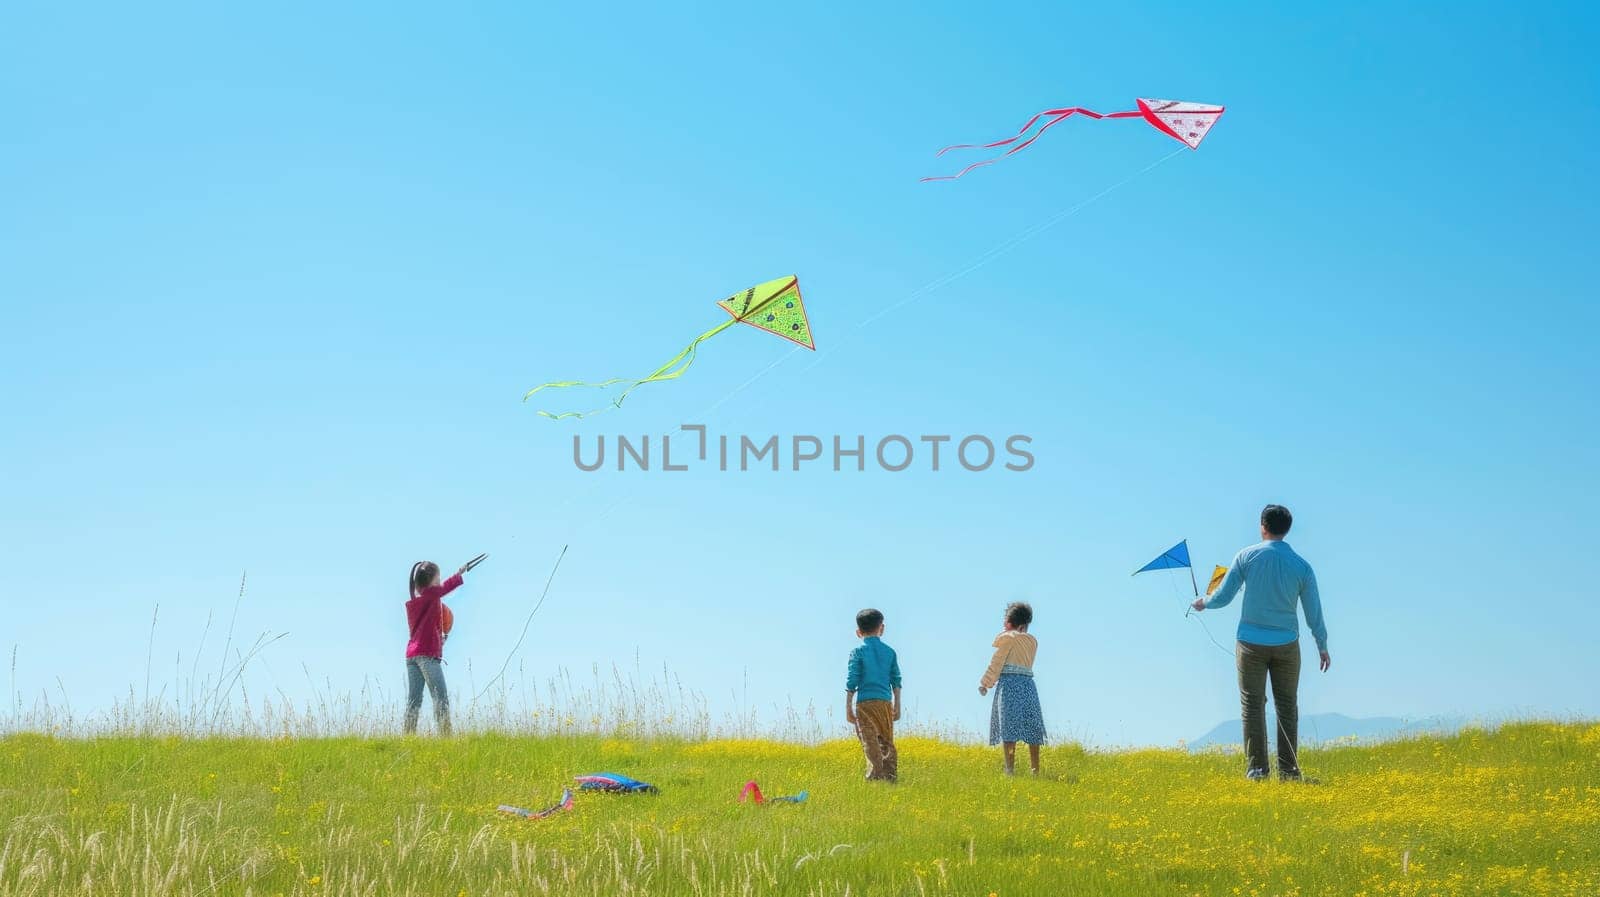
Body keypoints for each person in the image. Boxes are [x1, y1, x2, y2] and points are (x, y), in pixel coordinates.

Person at [1192, 504, 1329, 781]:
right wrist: (1322, 644)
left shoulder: (1246, 556)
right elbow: (1313, 611)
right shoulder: (1302, 566)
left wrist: (1203, 602)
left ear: (1262, 526)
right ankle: (1289, 772)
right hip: (1287, 644)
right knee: (1287, 706)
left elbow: (1223, 596)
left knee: (1252, 704)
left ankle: (1257, 770)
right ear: (1287, 529)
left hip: (1250, 643)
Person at [979, 601, 1046, 775]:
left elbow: (997, 663)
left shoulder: (1008, 639)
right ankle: (1035, 769)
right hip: (1028, 686)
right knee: (1032, 727)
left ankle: (1009, 769)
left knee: (1009, 728)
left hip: (1009, 685)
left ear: (1010, 623)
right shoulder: (1032, 642)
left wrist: (986, 683)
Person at [404, 560, 469, 736]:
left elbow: (425, 630)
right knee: (440, 697)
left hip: (412, 656)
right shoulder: (432, 596)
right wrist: (459, 573)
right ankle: (446, 737)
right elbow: (445, 588)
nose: (440, 583)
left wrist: (439, 639)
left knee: (414, 700)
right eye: (438, 579)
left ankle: (408, 737)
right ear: (431, 582)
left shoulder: (415, 604)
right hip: (426, 655)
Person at [845, 608, 902, 782]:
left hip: (865, 704)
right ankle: (890, 778)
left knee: (869, 741)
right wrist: (897, 704)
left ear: (858, 632)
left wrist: (848, 706)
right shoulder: (890, 652)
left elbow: (852, 680)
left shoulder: (858, 653)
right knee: (886, 741)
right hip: (885, 703)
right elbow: (896, 680)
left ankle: (874, 776)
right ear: (881, 628)